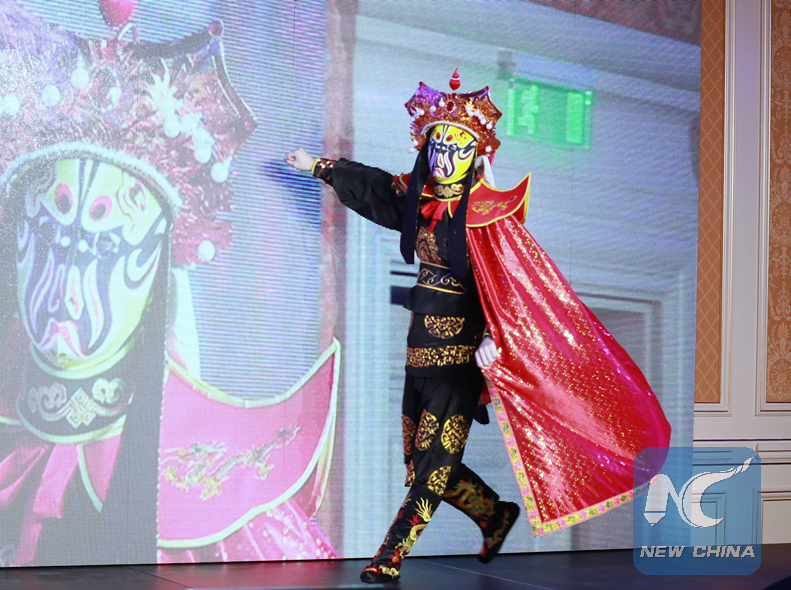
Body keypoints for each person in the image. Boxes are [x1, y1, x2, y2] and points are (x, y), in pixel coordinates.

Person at [0, 0, 338, 568]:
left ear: (155, 276)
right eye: (48, 238)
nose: (67, 286)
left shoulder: (226, 530)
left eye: (106, 249)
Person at [286, 73, 671, 583]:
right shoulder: (418, 196)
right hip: (420, 348)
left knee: (432, 468)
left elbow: (512, 286)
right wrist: (320, 167)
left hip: (460, 357)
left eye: (457, 148)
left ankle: (389, 556)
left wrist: (496, 336)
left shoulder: (490, 215)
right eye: (438, 146)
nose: (445, 158)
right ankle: (493, 514)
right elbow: (376, 188)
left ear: (476, 154)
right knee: (420, 461)